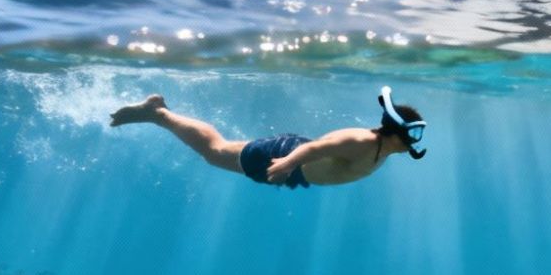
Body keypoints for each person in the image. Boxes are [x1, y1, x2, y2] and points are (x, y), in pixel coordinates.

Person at [109, 87, 425, 189]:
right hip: (285, 158)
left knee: (219, 149)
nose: (414, 141)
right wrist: (286, 163)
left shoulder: (382, 149)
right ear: (395, 130)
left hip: (294, 168)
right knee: (215, 150)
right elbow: (316, 147)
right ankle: (159, 113)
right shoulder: (362, 142)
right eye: (412, 133)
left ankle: (159, 113)